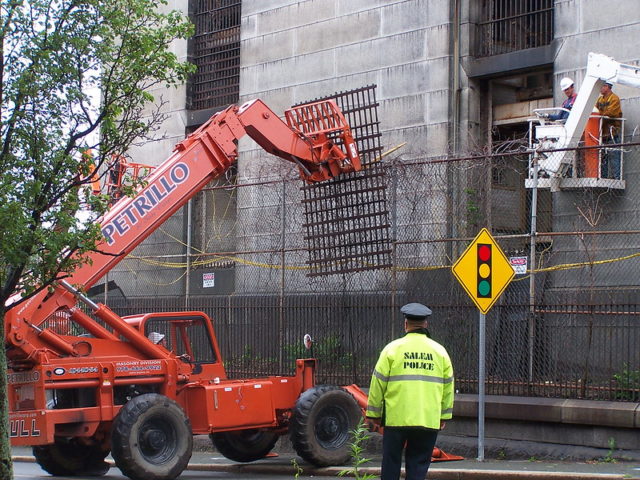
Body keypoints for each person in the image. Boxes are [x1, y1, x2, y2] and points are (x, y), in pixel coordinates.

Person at [366, 303, 454, 480]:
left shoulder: (392, 349)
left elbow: (378, 384)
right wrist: (443, 416)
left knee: (391, 463)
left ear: (405, 324)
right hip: (427, 419)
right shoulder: (440, 352)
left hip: (396, 419)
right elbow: (448, 387)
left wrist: (373, 414)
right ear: (425, 324)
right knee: (418, 464)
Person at [596, 82, 623, 179]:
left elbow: (611, 113)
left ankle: (616, 177)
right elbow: (595, 110)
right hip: (603, 134)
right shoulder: (599, 99)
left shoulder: (614, 98)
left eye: (602, 86)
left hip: (612, 134)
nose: (600, 89)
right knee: (603, 159)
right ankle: (603, 177)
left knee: (614, 158)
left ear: (607, 86)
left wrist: (599, 115)